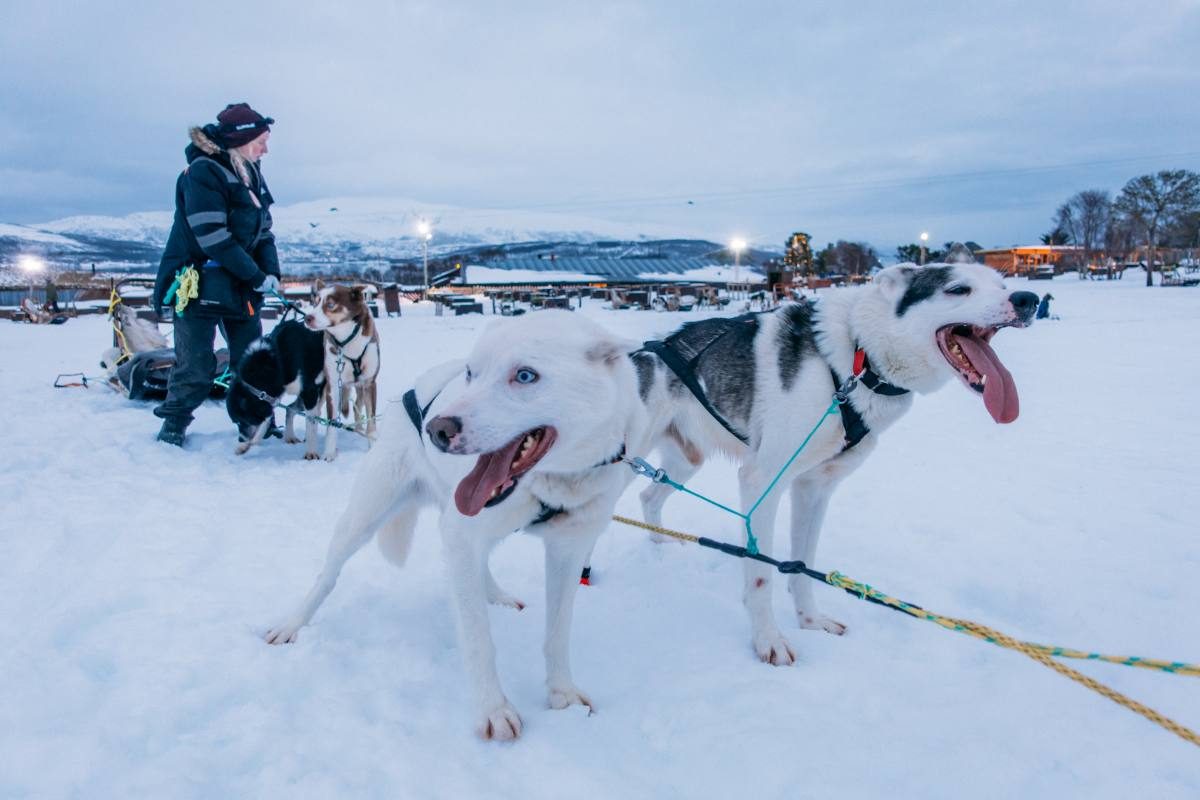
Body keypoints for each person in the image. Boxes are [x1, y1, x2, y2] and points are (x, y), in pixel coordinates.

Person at [151, 103, 282, 447]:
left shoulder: (249, 171)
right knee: (195, 363)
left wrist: (271, 272)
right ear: (240, 139)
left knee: (252, 359)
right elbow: (213, 237)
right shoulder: (203, 173)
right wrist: (255, 275)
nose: (265, 149)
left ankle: (256, 420)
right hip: (197, 284)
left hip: (240, 286)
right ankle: (175, 421)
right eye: (260, 141)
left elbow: (263, 231)